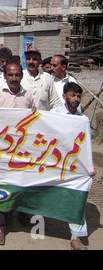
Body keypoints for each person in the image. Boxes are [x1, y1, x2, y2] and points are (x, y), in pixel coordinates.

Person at [0, 62, 35, 245]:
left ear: (21, 76)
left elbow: (35, 120)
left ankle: (14, 217)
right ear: (5, 76)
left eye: (17, 75)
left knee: (16, 184)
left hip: (20, 150)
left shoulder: (28, 96)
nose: (14, 78)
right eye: (10, 75)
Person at [50, 82, 92, 250]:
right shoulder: (55, 114)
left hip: (74, 165)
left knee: (77, 196)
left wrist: (89, 166)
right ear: (64, 96)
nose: (76, 99)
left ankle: (76, 237)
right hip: (54, 163)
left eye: (78, 96)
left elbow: (86, 145)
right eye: (72, 95)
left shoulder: (83, 120)